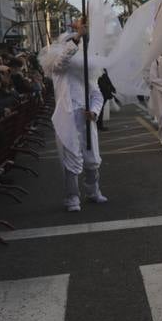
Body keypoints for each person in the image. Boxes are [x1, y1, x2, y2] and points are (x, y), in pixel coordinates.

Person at [39, 26, 104, 212]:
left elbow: (97, 95)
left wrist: (94, 112)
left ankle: (93, 191)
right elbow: (63, 60)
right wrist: (77, 38)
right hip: (66, 118)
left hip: (86, 119)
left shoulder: (86, 74)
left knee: (92, 159)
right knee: (71, 159)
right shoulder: (57, 69)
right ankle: (72, 197)